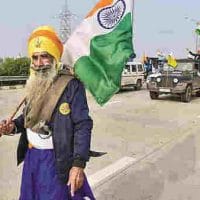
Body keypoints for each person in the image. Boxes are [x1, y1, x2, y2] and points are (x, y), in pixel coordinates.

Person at [0, 25, 95, 200]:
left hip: (56, 161)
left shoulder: (71, 86)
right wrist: (12, 127)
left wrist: (78, 165)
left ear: (54, 58)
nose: (39, 63)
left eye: (44, 56)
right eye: (35, 58)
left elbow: (83, 125)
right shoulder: (34, 83)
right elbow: (28, 118)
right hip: (32, 158)